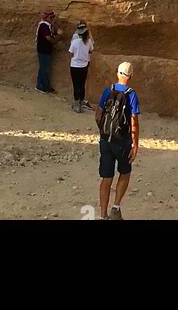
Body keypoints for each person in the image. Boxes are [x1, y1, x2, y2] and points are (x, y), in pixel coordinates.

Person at [97, 61, 140, 220]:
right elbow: (134, 121)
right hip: (123, 141)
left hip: (106, 140)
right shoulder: (131, 94)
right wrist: (135, 144)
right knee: (125, 172)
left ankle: (103, 215)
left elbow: (98, 114)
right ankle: (116, 207)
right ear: (131, 76)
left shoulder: (108, 91)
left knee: (106, 178)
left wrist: (104, 131)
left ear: (117, 73)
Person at [68, 20, 94, 112]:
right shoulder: (89, 42)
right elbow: (91, 51)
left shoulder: (74, 42)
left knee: (76, 84)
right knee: (82, 84)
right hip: (84, 66)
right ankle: (82, 101)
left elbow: (71, 53)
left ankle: (76, 104)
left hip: (74, 66)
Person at [35, 9, 57, 93]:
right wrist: (58, 39)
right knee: (45, 69)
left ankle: (39, 85)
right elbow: (48, 38)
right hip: (43, 50)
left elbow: (53, 32)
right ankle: (45, 87)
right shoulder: (44, 25)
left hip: (45, 50)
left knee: (43, 68)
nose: (52, 19)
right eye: (51, 17)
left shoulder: (47, 25)